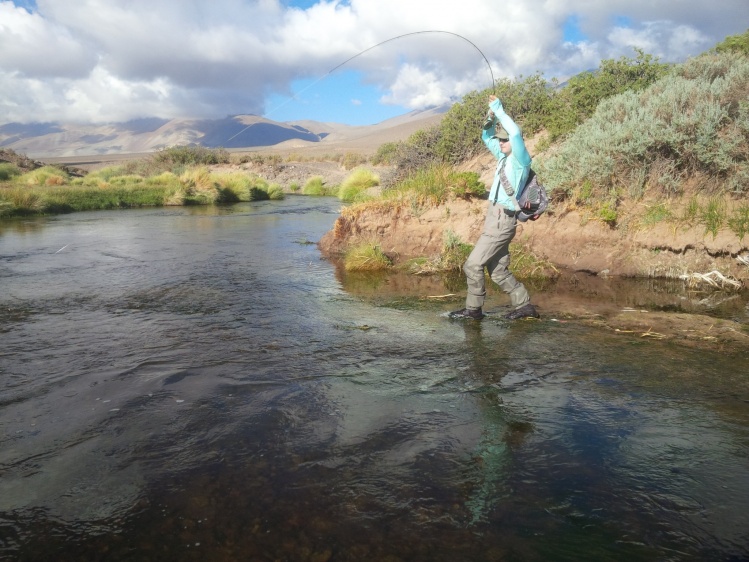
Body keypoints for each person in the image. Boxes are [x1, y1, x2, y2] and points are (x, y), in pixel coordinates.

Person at [449, 94, 539, 321]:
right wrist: (489, 118)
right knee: (498, 271)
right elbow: (486, 136)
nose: (501, 143)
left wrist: (499, 108)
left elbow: (515, 133)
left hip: (502, 220)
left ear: (514, 143)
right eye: (500, 140)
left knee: (472, 265)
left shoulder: (520, 159)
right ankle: (524, 305)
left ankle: (473, 310)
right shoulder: (503, 157)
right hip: (494, 218)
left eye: (504, 140)